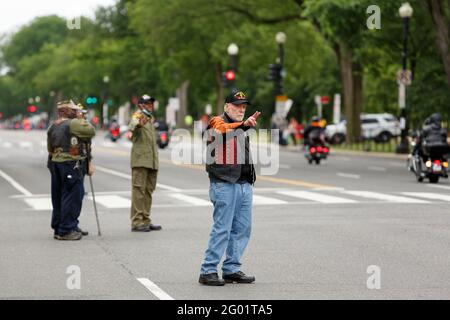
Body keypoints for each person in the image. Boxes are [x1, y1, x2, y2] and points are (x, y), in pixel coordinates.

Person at [199, 89, 260, 286]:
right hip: (224, 183)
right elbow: (221, 132)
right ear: (226, 106)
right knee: (222, 229)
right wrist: (243, 125)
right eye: (236, 105)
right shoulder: (217, 121)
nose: (241, 109)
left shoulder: (241, 126)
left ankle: (231, 269)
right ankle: (207, 270)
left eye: (243, 106)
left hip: (243, 184)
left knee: (242, 229)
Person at [47, 100, 96, 240]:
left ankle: (59, 227)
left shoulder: (53, 125)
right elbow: (90, 131)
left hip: (56, 162)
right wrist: (81, 120)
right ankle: (66, 229)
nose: (76, 112)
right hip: (70, 163)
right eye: (73, 110)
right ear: (67, 111)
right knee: (71, 196)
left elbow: (50, 148)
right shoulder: (73, 123)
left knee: (58, 197)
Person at [128, 94, 162, 232]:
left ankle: (145, 219)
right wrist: (138, 122)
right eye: (147, 103)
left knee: (148, 191)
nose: (150, 106)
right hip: (141, 160)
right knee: (138, 191)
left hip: (151, 160)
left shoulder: (151, 118)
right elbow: (132, 125)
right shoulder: (138, 115)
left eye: (151, 103)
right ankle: (136, 221)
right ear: (141, 105)